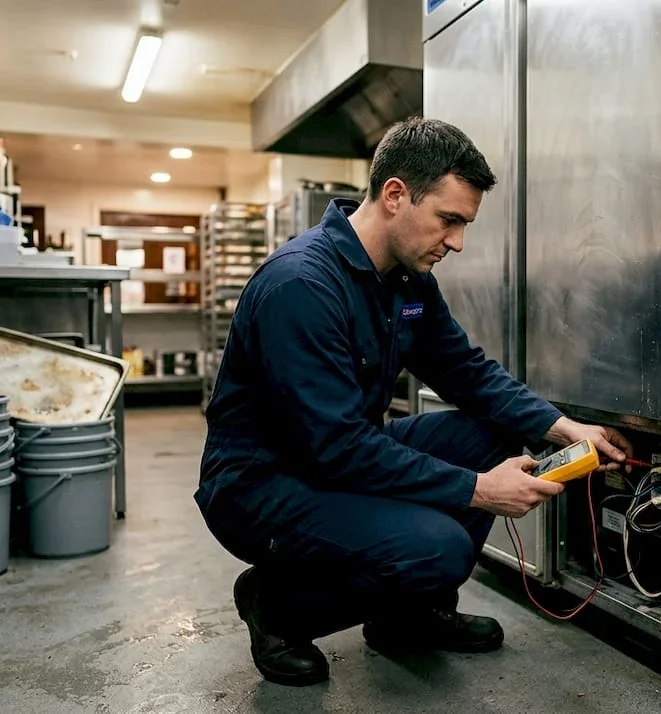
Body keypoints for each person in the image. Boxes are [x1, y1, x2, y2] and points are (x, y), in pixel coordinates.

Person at [194, 117, 634, 687]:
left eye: (464, 224)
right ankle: (276, 605)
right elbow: (337, 447)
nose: (457, 242)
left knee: (489, 434)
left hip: (334, 455)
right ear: (396, 195)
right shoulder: (301, 287)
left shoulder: (405, 280)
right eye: (448, 220)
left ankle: (405, 615)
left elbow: (464, 371)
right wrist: (479, 489)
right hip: (263, 483)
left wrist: (562, 428)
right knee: (439, 550)